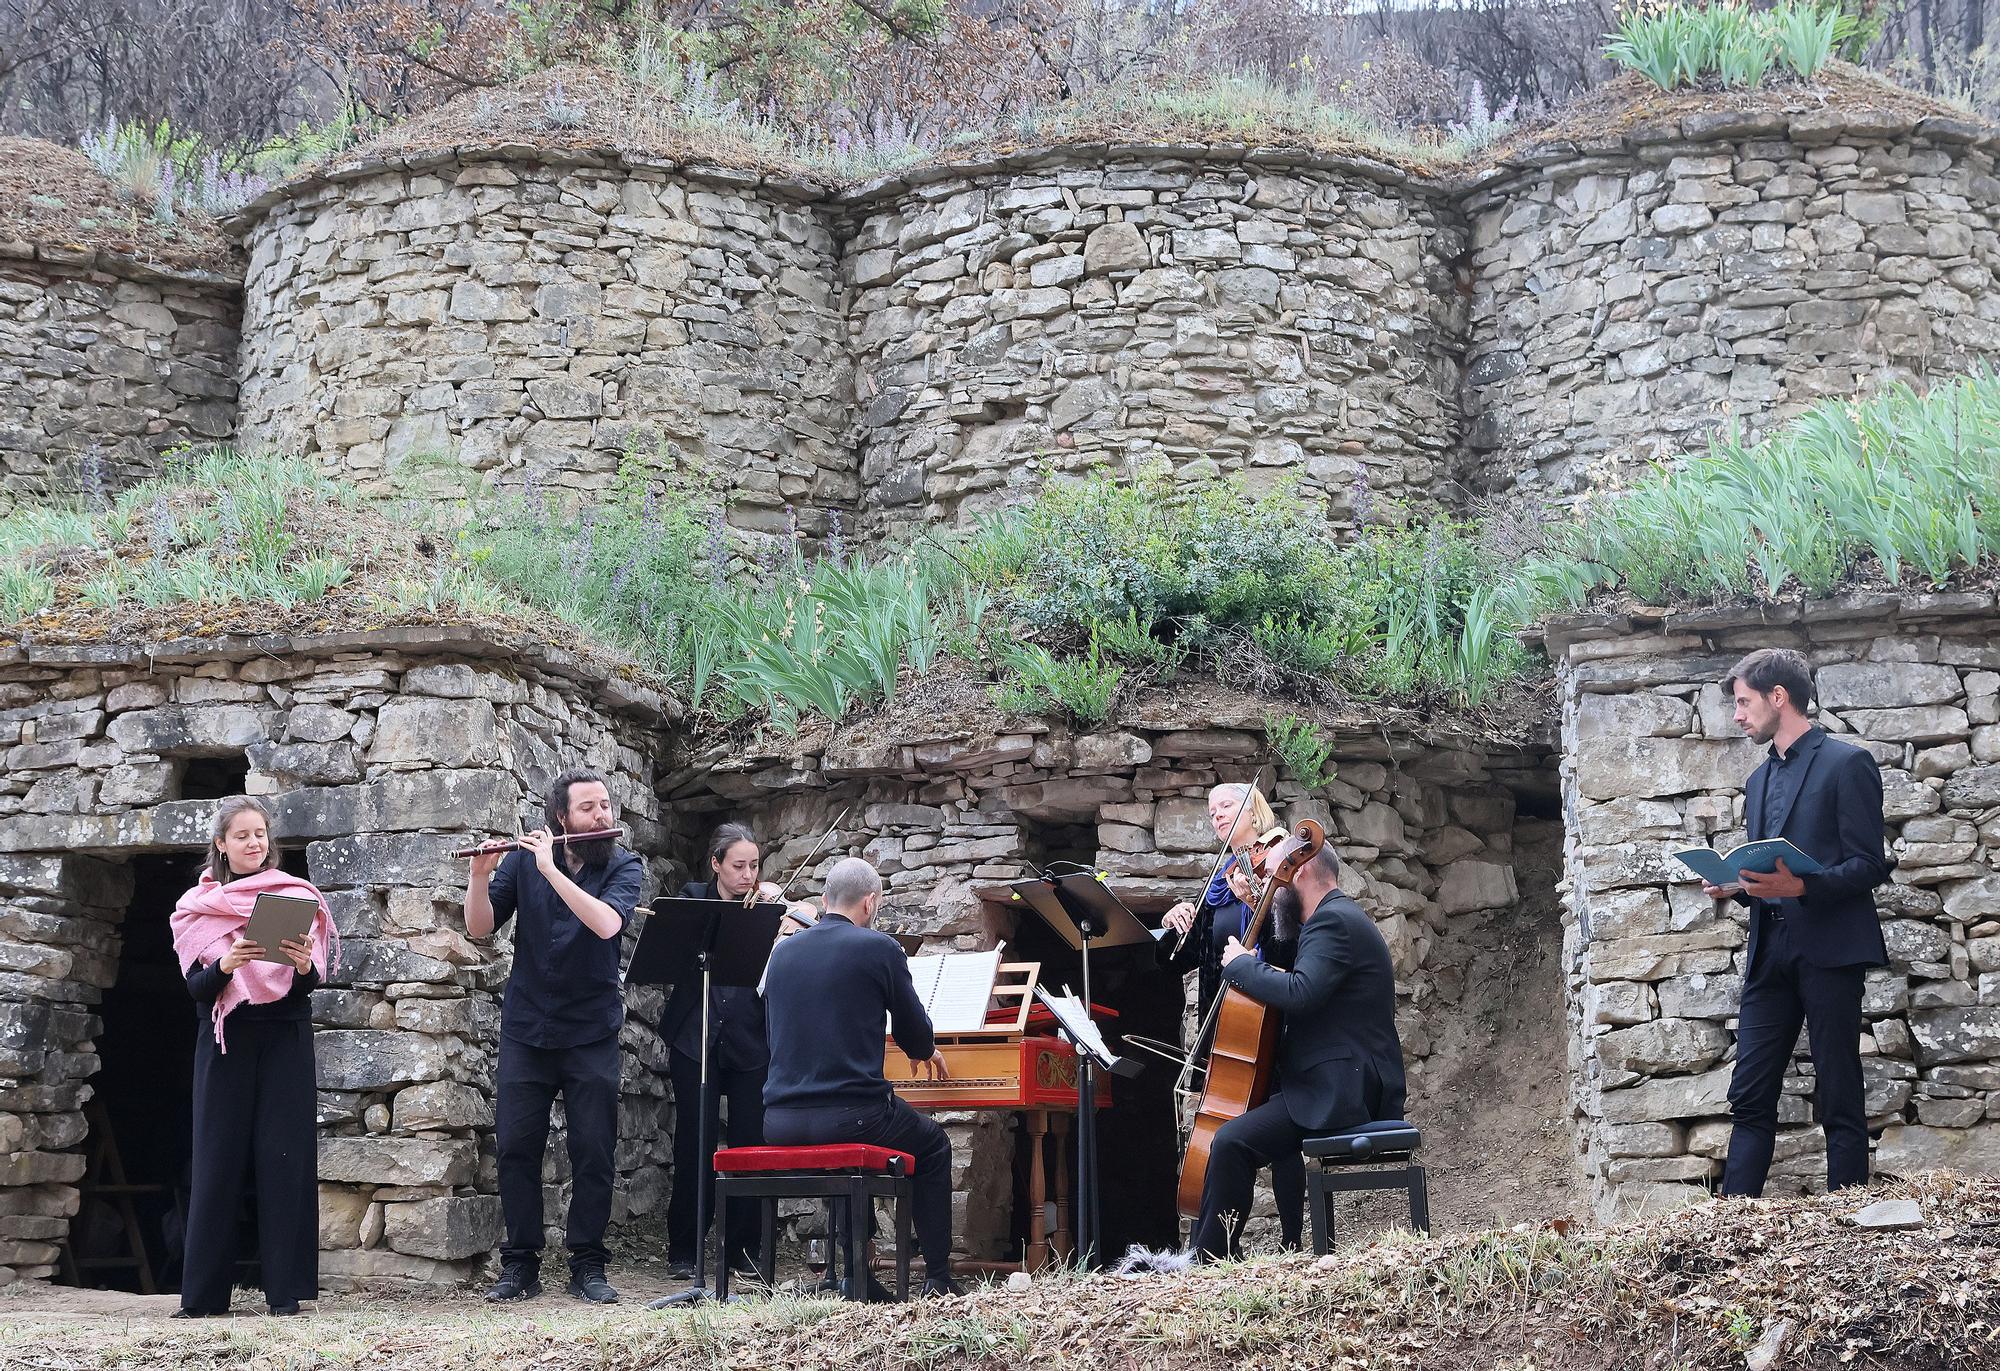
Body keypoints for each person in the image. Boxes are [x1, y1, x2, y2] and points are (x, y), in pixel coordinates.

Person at [1707, 648, 1890, 1198]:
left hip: (1830, 949)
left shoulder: (1846, 763)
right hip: (1769, 950)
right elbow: (1767, 866)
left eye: (1744, 702)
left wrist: (1803, 886)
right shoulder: (1758, 782)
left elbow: (1868, 865)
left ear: (1778, 697)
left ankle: (1849, 1229)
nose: (1738, 715)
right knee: (1750, 1094)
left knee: (1839, 1090)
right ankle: (1732, 1223)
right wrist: (1737, 885)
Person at [464, 770, 643, 1304]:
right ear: (561, 817)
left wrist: (550, 869)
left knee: (593, 1149)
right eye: (589, 808)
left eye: (606, 806)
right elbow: (479, 927)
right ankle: (520, 1264)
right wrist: (478, 877)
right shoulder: (521, 860)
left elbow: (607, 924)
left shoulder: (625, 865)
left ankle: (587, 1262)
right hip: (527, 1028)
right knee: (517, 1148)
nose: (602, 816)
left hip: (591, 1030)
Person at [1190, 841, 1405, 1261]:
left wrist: (1240, 965)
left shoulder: (1333, 923)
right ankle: (1222, 1252)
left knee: (1231, 1142)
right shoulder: (1333, 919)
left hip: (1342, 1090)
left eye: (1274, 877)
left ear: (1301, 872)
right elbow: (1305, 982)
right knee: (1244, 1133)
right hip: (1336, 1082)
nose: (1270, 888)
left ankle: (1207, 1261)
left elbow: (1301, 992)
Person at [760, 857, 963, 1298]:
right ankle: (939, 1279)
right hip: (853, 1115)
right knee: (932, 1145)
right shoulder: (879, 948)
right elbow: (913, 1031)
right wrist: (925, 1050)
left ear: (823, 900)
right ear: (870, 903)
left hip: (780, 1119)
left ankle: (860, 1276)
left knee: (851, 1154)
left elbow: (774, 1036)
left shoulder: (781, 954)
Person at [169, 796, 336, 1318]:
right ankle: (202, 1299)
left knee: (284, 1160)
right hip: (225, 1041)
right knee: (217, 1162)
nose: (254, 843)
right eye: (242, 835)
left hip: (285, 1037)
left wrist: (305, 965)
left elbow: (306, 985)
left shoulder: (295, 895)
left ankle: (285, 1295)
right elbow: (198, 989)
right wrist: (225, 965)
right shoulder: (197, 908)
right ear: (221, 844)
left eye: (260, 834)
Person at [661, 822, 813, 1278]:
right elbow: (678, 938)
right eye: (738, 866)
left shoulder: (768, 907)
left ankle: (745, 1248)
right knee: (694, 1142)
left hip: (752, 1040)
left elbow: (812, 919)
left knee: (752, 1143)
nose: (748, 875)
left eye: (754, 866)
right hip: (696, 1041)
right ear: (716, 864)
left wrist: (779, 904)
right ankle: (686, 1248)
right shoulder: (692, 898)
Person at [1159, 782, 1305, 1249]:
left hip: (1275, 1017)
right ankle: (1224, 1244)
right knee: (1223, 1131)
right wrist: (1175, 919)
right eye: (1211, 810)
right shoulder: (1220, 880)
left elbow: (1289, 946)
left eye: (1226, 806)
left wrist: (1253, 900)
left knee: (1281, 1133)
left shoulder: (1280, 866)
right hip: (1228, 1023)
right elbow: (1185, 958)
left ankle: (1292, 1241)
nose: (1216, 816)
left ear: (1253, 809)